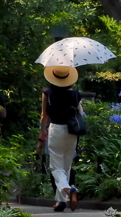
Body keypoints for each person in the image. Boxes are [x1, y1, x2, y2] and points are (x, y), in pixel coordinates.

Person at [39, 65, 83, 212]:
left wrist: (42, 134)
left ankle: (68, 189)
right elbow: (80, 113)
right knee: (66, 166)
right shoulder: (76, 94)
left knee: (55, 167)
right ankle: (61, 202)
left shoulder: (48, 93)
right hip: (72, 131)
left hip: (56, 129)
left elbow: (44, 115)